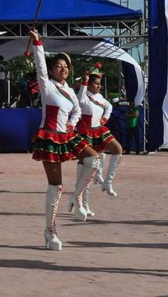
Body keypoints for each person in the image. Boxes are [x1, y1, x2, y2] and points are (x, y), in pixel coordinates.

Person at [28, 30, 99, 251]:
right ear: (52, 70)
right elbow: (39, 66)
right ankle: (50, 231)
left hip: (66, 134)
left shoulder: (70, 90)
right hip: (49, 136)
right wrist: (38, 43)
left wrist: (70, 124)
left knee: (93, 160)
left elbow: (76, 111)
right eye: (59, 66)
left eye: (66, 66)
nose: (63, 68)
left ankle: (76, 198)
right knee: (55, 185)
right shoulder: (47, 85)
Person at [74, 69, 123, 208]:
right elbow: (80, 99)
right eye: (96, 84)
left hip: (99, 130)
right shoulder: (82, 97)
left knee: (118, 149)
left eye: (99, 84)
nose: (99, 86)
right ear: (88, 85)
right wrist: (84, 80)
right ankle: (83, 204)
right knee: (87, 170)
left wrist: (105, 118)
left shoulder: (101, 97)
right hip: (86, 133)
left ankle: (108, 182)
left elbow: (109, 107)